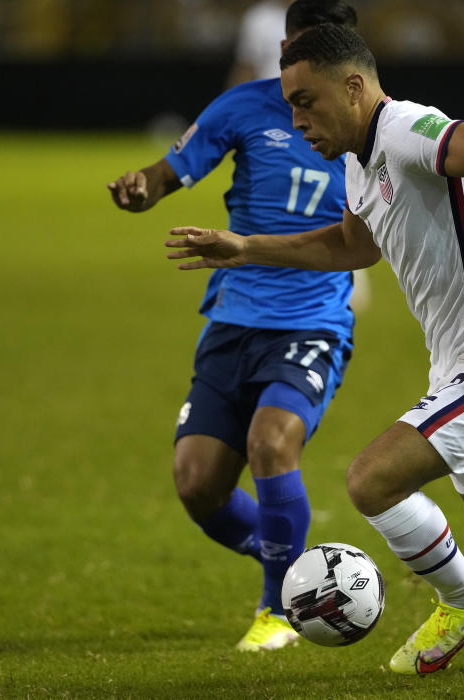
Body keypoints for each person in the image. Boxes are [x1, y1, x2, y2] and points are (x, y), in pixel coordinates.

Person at [166, 23, 464, 675]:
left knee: (371, 482)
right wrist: (246, 246)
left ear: (355, 87)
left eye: (306, 101)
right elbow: (350, 246)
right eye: (288, 104)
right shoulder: (359, 163)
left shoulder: (405, 130)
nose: (295, 118)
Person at [107, 0, 359, 653]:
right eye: (286, 59)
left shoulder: (370, 129)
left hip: (312, 320)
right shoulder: (243, 106)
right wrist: (143, 187)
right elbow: (170, 170)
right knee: (196, 483)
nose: (291, 78)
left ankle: (281, 607)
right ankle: (300, 564)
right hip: (232, 318)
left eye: (306, 64)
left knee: (271, 445)